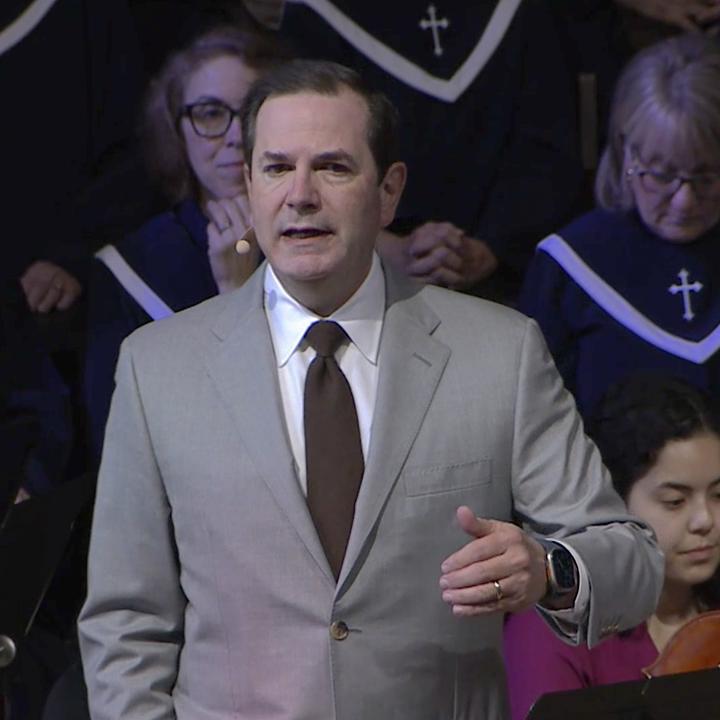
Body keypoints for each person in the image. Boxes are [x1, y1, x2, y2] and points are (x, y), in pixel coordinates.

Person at [78, 60, 662, 719]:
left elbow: (632, 564)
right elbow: (125, 623)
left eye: (332, 167)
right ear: (247, 184)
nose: (300, 195)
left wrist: (547, 570)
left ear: (388, 192)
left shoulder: (499, 352)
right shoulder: (158, 368)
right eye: (275, 168)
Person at [84, 25, 286, 458]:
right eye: (210, 114)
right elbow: (126, 449)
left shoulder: (318, 244)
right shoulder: (130, 271)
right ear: (177, 131)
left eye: (252, 111)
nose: (234, 136)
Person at [519, 33, 720, 419]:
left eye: (707, 176)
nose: (685, 201)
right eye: (661, 175)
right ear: (627, 153)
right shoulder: (568, 267)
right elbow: (539, 424)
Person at [504, 374, 720, 720]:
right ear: (615, 503)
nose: (705, 520)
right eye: (675, 501)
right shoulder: (549, 627)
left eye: (718, 495)